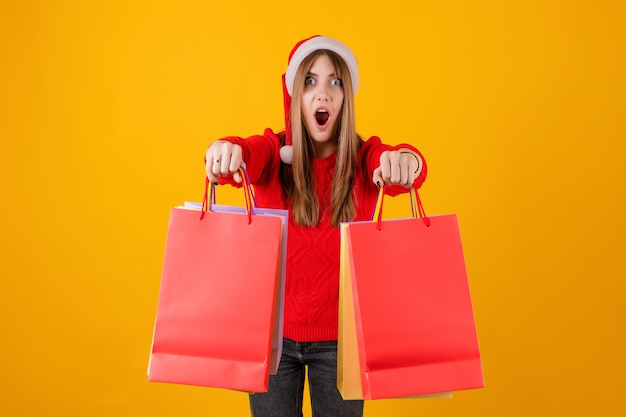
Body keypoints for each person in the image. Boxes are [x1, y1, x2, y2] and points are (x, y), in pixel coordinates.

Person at [205, 36, 427, 417]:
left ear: (346, 97)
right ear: (294, 96)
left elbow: (400, 161)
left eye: (334, 81)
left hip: (341, 345)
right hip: (271, 340)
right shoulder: (274, 154)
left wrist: (405, 161)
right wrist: (227, 151)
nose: (322, 93)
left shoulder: (362, 158)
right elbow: (246, 152)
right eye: (309, 81)